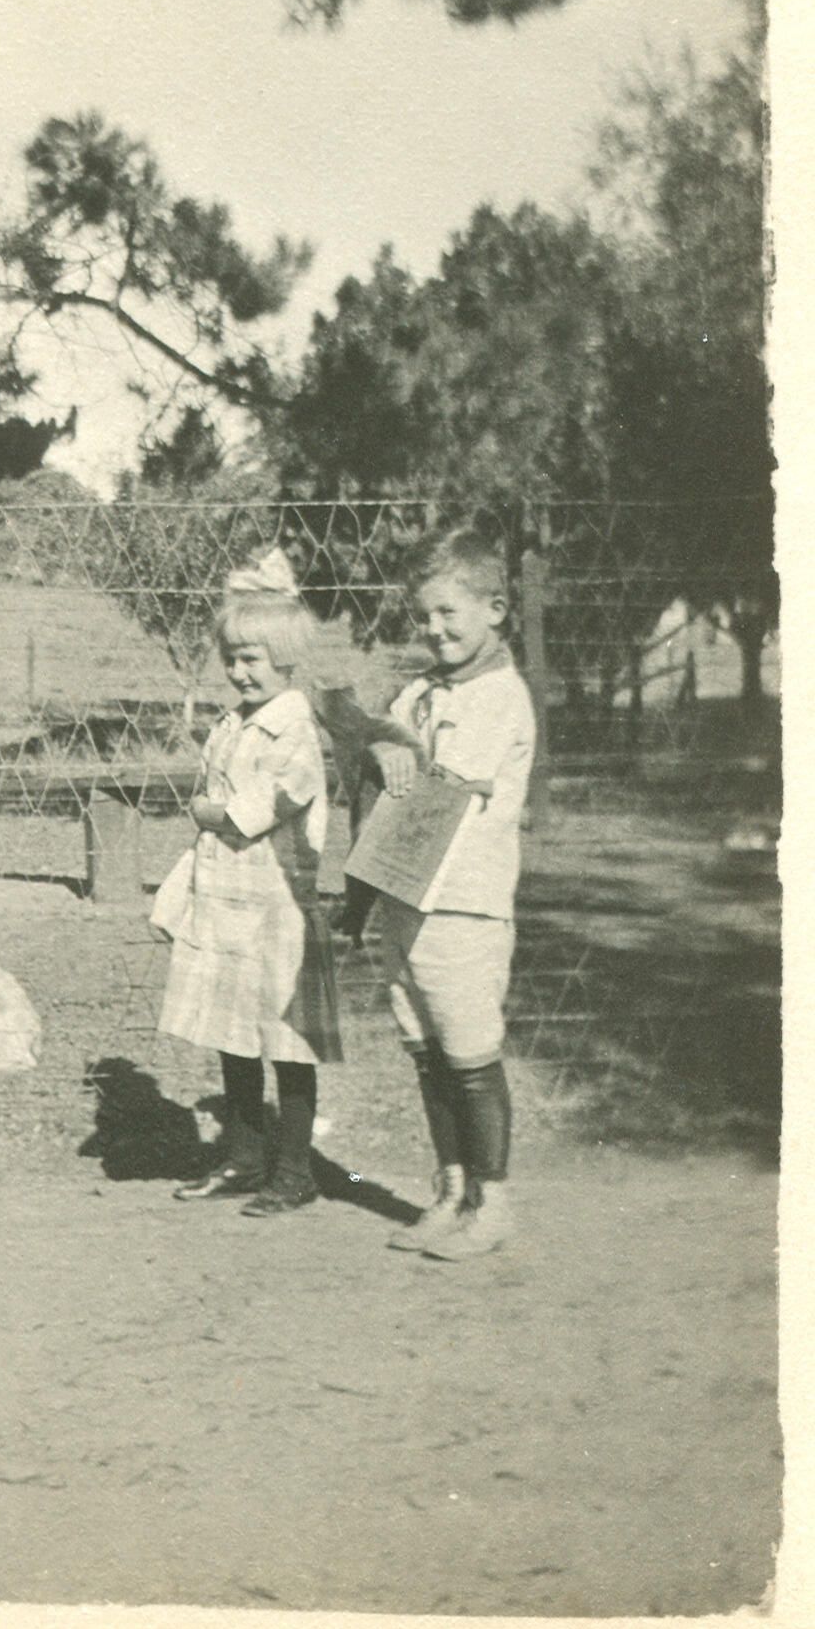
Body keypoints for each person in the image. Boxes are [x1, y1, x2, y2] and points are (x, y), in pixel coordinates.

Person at [151, 549, 341, 1217]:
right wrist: (209, 809)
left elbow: (240, 813)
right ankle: (242, 1155)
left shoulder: (295, 732)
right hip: (228, 901)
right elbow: (215, 798)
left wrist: (205, 811)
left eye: (252, 658)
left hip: (277, 910)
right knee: (233, 1033)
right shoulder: (233, 724)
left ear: (286, 658)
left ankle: (294, 1170)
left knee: (286, 1043)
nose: (239, 671)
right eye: (231, 658)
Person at [370, 528, 536, 1262]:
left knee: (469, 1055)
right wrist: (380, 745)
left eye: (449, 613)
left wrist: (394, 755)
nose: (434, 629)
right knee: (427, 1050)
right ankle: (452, 1192)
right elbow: (381, 740)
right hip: (406, 896)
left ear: (495, 609)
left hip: (464, 902)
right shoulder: (420, 692)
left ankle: (492, 1205)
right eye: (424, 616)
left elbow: (442, 785)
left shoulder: (500, 697)